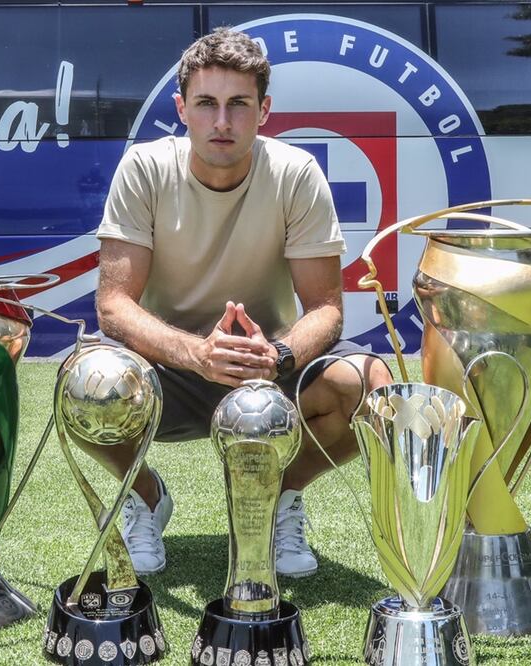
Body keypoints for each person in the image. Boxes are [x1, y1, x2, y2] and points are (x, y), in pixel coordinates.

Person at [85, 28, 392, 578]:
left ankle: (277, 497)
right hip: (167, 369)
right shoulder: (145, 168)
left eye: (238, 105)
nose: (221, 121)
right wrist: (199, 353)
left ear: (264, 111)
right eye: (206, 103)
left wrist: (277, 355)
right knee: (84, 383)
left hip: (268, 370)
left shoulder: (296, 173)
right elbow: (113, 306)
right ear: (182, 109)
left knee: (370, 387)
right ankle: (147, 495)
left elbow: (326, 309)